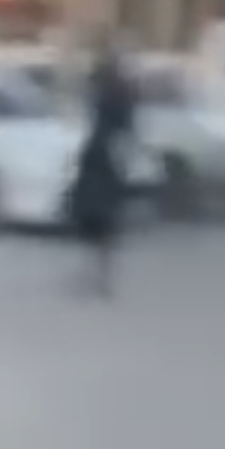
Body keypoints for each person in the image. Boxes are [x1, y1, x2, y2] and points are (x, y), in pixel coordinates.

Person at [70, 39, 136, 297]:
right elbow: (128, 128)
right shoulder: (121, 90)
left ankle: (96, 278)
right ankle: (99, 278)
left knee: (98, 222)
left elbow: (119, 125)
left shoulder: (109, 90)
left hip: (100, 157)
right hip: (105, 158)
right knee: (103, 223)